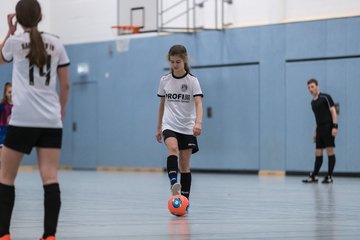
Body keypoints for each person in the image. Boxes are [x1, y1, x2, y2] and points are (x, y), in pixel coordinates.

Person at [0, 0, 70, 239]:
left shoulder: (15, 42)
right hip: (50, 121)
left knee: (6, 177)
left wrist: (9, 32)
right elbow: (66, 84)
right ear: (40, 16)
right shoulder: (57, 43)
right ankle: (49, 235)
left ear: (17, 18)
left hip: (22, 120)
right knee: (50, 177)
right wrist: (59, 112)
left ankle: (4, 234)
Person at [156, 45, 203, 202]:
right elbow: (162, 105)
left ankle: (185, 200)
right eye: (172, 62)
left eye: (178, 62)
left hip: (187, 127)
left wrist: (198, 123)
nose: (175, 65)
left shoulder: (192, 81)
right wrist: (159, 127)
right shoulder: (164, 81)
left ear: (184, 60)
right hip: (169, 124)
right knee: (173, 148)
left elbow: (198, 103)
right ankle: (173, 182)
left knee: (184, 166)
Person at [303, 78, 338, 184]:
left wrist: (335, 126)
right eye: (309, 87)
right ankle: (314, 176)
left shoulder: (325, 97)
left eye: (312, 86)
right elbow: (317, 118)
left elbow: (333, 111)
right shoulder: (312, 103)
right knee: (318, 152)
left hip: (328, 127)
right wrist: (315, 132)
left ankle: (329, 176)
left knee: (330, 151)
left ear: (317, 86)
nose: (310, 89)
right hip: (320, 129)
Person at [0, 82, 13, 161]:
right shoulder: (2, 106)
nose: (11, 94)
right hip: (2, 133)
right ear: (5, 93)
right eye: (9, 92)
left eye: (13, 92)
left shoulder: (17, 105)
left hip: (12, 134)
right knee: (1, 159)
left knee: (9, 159)